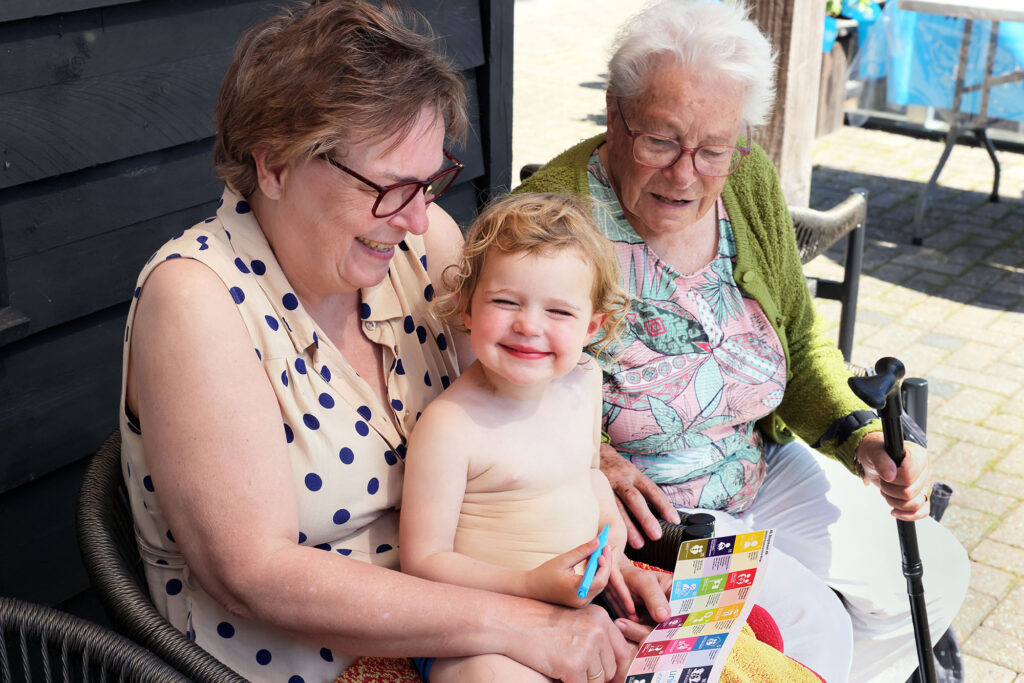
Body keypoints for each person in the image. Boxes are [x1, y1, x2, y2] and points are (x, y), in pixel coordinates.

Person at [119, 2, 660, 681]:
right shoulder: (198, 299)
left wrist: (591, 535)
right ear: (276, 168)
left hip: (480, 617)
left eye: (429, 181)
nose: (415, 214)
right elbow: (253, 575)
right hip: (315, 660)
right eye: (388, 186)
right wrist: (529, 622)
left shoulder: (417, 241)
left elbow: (515, 405)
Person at [515, 1, 970, 681]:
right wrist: (592, 456)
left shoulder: (749, 181)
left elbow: (800, 336)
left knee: (933, 571)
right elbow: (501, 380)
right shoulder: (553, 215)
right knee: (809, 627)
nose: (685, 173)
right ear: (615, 114)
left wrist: (863, 437)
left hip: (757, 461)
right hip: (659, 512)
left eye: (712, 149)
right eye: (661, 140)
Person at [399, 193, 665, 682]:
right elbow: (422, 562)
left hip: (583, 605)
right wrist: (527, 584)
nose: (529, 326)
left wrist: (620, 563)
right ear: (467, 308)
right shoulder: (450, 425)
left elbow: (588, 477)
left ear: (591, 325)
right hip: (480, 630)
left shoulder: (583, 381)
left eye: (559, 313)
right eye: (504, 301)